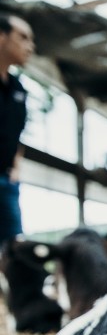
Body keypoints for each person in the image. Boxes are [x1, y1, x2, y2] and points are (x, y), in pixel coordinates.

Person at [0, 13, 34, 246]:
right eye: (22, 37)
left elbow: (17, 134)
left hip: (6, 179)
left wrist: (16, 168)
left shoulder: (18, 89)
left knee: (13, 247)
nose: (30, 47)